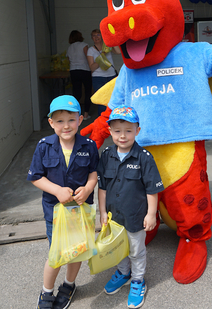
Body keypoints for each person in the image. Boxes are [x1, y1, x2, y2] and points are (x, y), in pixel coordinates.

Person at [27, 95, 99, 309]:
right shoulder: (44, 146)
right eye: (59, 121)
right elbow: (35, 176)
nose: (66, 125)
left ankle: (69, 285)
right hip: (55, 212)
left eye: (71, 119)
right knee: (56, 254)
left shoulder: (89, 145)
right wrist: (57, 190)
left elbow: (93, 173)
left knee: (76, 250)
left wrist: (87, 188)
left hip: (80, 210)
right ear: (51, 123)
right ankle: (46, 291)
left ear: (80, 119)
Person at [97, 106, 164, 308]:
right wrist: (101, 213)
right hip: (113, 217)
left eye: (128, 130)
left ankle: (137, 280)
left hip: (135, 216)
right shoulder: (106, 155)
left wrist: (151, 214)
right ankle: (124, 272)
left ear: (137, 130)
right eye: (117, 131)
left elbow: (152, 189)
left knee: (136, 250)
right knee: (119, 248)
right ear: (110, 132)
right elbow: (102, 188)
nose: (123, 136)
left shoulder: (145, 157)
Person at [87, 28, 121, 116]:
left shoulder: (107, 46)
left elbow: (118, 51)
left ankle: (114, 120)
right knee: (102, 102)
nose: (96, 37)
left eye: (98, 35)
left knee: (113, 100)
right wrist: (102, 56)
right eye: (94, 36)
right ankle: (102, 123)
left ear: (102, 36)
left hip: (111, 76)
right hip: (98, 78)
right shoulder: (91, 50)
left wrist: (110, 40)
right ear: (92, 38)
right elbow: (92, 68)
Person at [66, 30, 92, 120]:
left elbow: (69, 60)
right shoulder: (84, 45)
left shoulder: (69, 47)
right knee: (88, 91)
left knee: (77, 92)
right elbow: (88, 57)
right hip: (84, 70)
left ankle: (74, 113)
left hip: (73, 71)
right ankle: (85, 114)